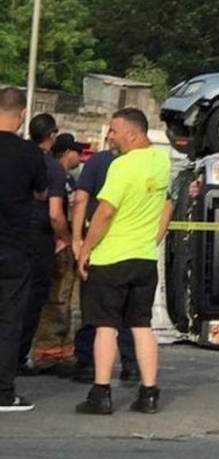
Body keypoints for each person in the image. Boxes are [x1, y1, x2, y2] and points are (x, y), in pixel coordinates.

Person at [76, 108, 170, 415]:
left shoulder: (121, 166)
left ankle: (101, 393)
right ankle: (149, 392)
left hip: (111, 257)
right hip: (143, 258)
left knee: (105, 326)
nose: (109, 136)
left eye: (114, 131)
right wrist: (153, 239)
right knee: (141, 325)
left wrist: (86, 248)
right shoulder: (161, 162)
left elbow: (104, 212)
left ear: (133, 133)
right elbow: (167, 204)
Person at [69, 140, 139, 383]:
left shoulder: (97, 162)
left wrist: (78, 239)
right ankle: (132, 365)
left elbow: (81, 199)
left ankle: (88, 363)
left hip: (100, 246)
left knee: (95, 310)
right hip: (134, 248)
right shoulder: (146, 164)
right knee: (131, 314)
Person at [0, 88, 47, 411]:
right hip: (14, 247)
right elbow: (42, 193)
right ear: (20, 116)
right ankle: (3, 392)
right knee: (8, 321)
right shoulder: (30, 153)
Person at [17, 113, 70, 375]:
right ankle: (17, 358)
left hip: (14, 235)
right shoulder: (53, 168)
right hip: (40, 240)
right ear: (52, 135)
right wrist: (66, 238)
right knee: (33, 301)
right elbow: (55, 213)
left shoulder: (18, 157)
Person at [30, 134, 84, 371]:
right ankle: (47, 353)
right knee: (57, 299)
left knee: (66, 300)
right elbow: (55, 213)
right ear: (66, 152)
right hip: (60, 245)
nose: (79, 157)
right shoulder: (57, 174)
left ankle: (61, 351)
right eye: (77, 152)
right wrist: (64, 238)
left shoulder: (67, 178)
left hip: (68, 244)